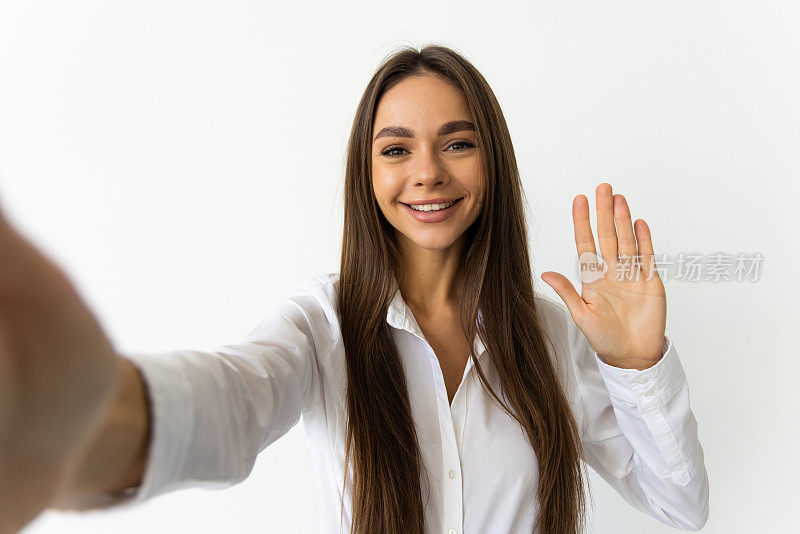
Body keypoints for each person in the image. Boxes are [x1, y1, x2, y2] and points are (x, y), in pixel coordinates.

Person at [0, 45, 709, 534]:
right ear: (366, 174)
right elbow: (234, 397)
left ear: (491, 161)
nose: (427, 172)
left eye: (457, 143)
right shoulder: (322, 324)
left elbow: (681, 505)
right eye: (396, 149)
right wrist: (92, 415)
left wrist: (636, 366)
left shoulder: (549, 336)